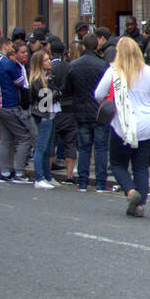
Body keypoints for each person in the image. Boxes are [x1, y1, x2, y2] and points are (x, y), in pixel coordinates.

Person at [94, 36, 150, 217]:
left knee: (118, 164)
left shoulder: (114, 72)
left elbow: (98, 94)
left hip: (124, 125)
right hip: (149, 124)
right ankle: (140, 205)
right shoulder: (149, 72)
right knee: (141, 166)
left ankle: (130, 191)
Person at [66, 34, 111, 192]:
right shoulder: (103, 65)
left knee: (84, 148)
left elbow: (68, 89)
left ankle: (83, 182)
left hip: (81, 110)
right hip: (99, 111)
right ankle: (100, 183)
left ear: (83, 46)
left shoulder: (74, 65)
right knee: (101, 148)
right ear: (97, 46)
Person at [0, 39, 33, 184]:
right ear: (5, 46)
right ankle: (19, 173)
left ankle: (5, 171)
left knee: (6, 138)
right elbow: (20, 82)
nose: (12, 49)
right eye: (10, 46)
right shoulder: (6, 63)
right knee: (24, 136)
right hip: (9, 104)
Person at [26, 50, 60, 189]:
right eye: (45, 60)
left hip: (50, 114)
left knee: (48, 148)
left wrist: (55, 93)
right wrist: (56, 94)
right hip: (43, 115)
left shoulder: (48, 77)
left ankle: (47, 176)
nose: (49, 61)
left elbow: (53, 93)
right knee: (41, 147)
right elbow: (44, 99)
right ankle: (39, 178)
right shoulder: (37, 80)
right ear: (39, 63)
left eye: (48, 58)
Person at [49, 40, 78, 185]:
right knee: (70, 143)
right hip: (70, 109)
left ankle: (48, 174)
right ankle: (69, 175)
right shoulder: (71, 67)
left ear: (51, 52)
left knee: (50, 142)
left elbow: (46, 90)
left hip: (54, 109)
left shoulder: (50, 68)